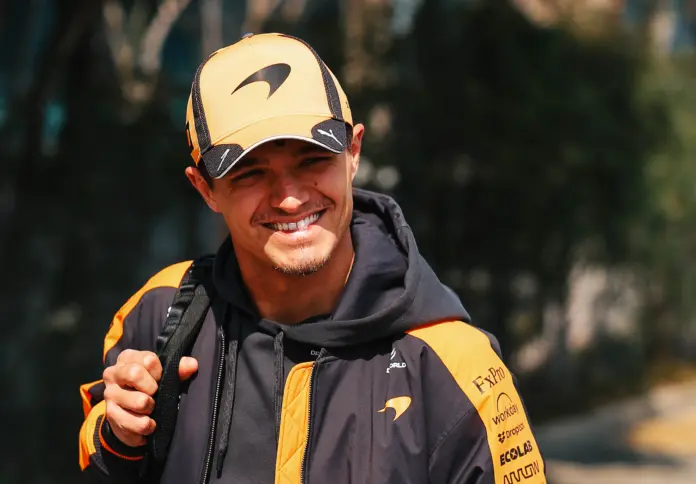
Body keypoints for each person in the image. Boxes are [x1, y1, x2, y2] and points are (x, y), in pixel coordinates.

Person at [78, 32, 547, 484]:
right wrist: (119, 436)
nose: (289, 198)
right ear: (205, 189)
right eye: (250, 174)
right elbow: (101, 458)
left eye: (312, 160)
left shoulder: (455, 363)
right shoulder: (164, 311)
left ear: (353, 151)